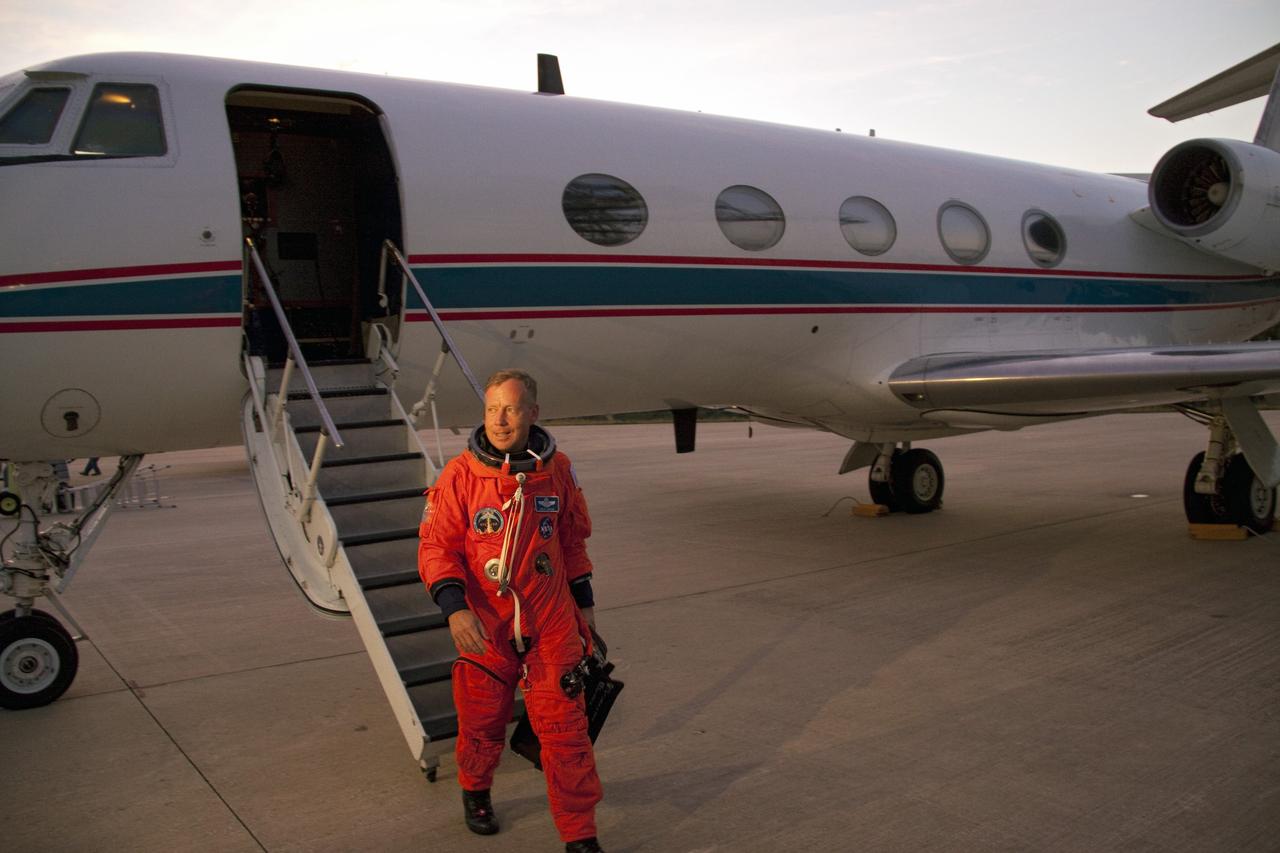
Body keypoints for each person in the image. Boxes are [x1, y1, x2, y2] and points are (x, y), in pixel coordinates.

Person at [418, 369, 606, 853]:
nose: (499, 420)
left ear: (533, 414)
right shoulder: (461, 475)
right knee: (481, 721)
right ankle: (476, 792)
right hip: (486, 623)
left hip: (550, 620)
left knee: (567, 732)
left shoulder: (558, 469)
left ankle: (579, 834)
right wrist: (455, 610)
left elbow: (571, 543)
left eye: (511, 409)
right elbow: (437, 548)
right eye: (491, 409)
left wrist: (585, 610)